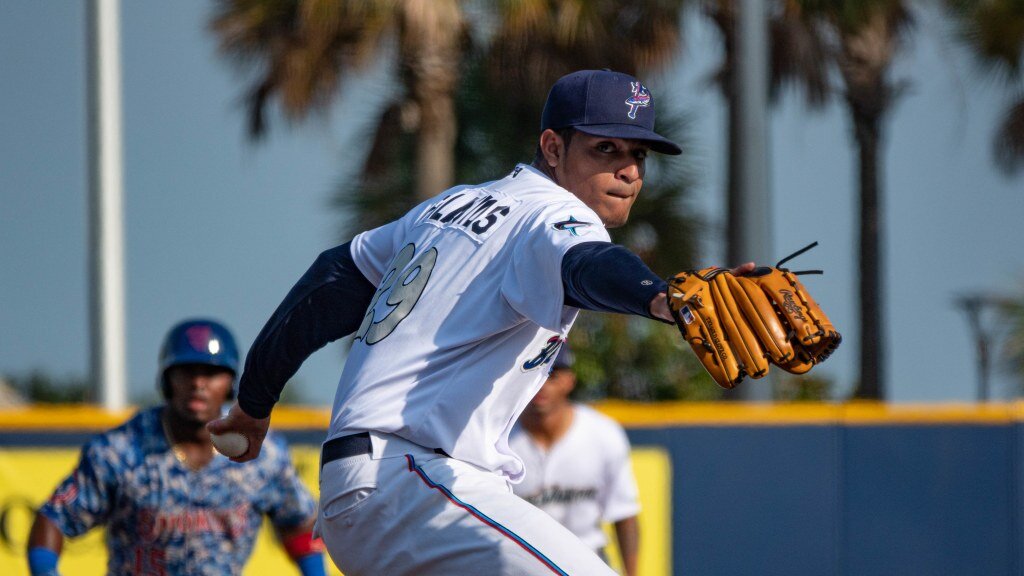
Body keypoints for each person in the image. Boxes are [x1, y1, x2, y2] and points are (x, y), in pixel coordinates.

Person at [211, 69, 750, 575]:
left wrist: (253, 405)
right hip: (411, 479)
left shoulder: (449, 205)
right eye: (605, 148)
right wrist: (661, 298)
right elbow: (586, 264)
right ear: (553, 147)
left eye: (638, 154)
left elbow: (333, 278)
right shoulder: (554, 214)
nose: (628, 170)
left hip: (377, 488)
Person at [26, 319, 326, 576]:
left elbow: (298, 525)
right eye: (186, 371)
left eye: (210, 372)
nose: (198, 383)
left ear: (231, 382)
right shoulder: (120, 450)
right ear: (168, 379)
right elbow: (53, 519)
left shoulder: (262, 453)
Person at [509, 346, 640, 575]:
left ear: (570, 380)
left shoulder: (602, 433)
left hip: (588, 561)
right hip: (522, 565)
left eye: (552, 373)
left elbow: (624, 515)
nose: (542, 383)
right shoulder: (498, 439)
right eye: (533, 371)